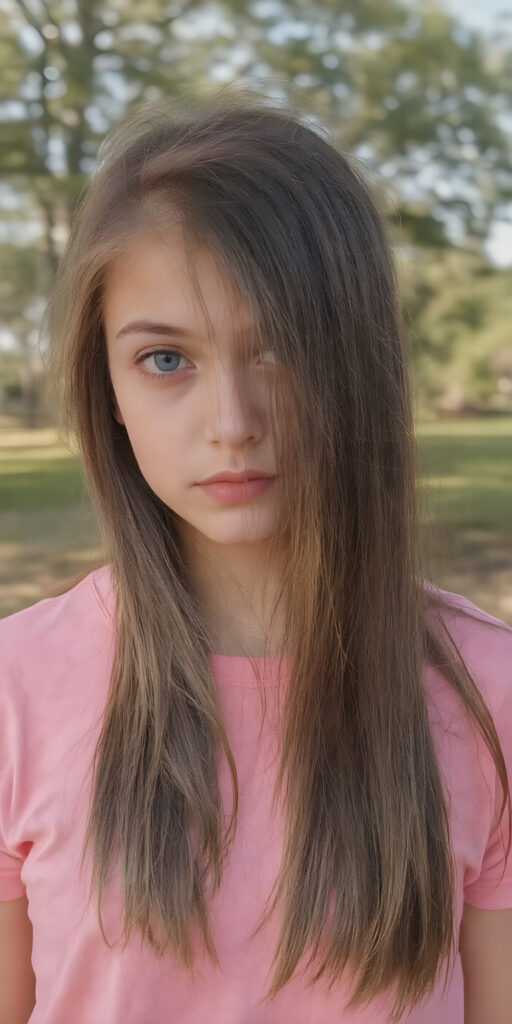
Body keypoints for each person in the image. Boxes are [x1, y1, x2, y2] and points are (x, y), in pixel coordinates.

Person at [1, 87, 511, 1024]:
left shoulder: (492, 695)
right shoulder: (14, 690)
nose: (232, 423)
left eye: (279, 349)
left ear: (356, 361)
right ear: (104, 385)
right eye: (166, 360)